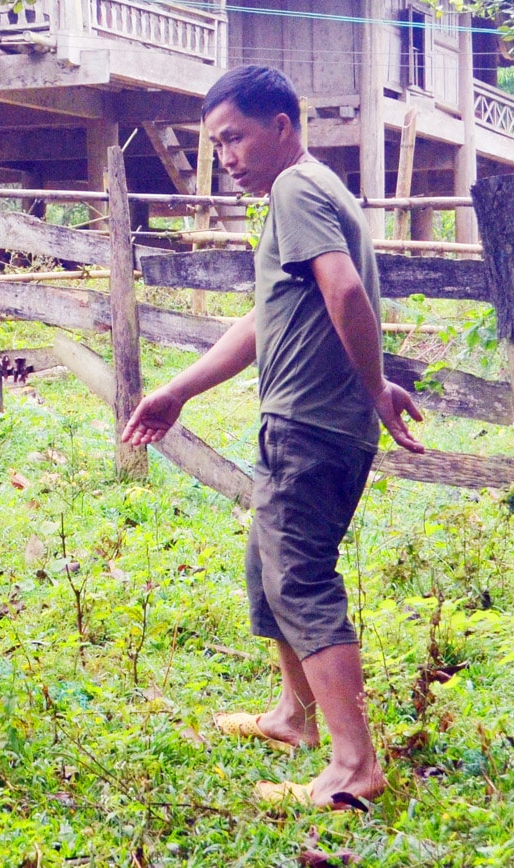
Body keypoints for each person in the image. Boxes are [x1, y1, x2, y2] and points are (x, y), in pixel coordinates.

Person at [122, 64, 424, 812]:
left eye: (235, 138)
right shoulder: (311, 191)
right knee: (269, 569)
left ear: (281, 126)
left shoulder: (295, 189)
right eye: (217, 143)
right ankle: (293, 717)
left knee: (300, 579)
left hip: (313, 424)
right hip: (303, 418)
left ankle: (354, 770)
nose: (226, 157)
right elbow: (265, 321)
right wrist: (177, 390)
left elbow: (344, 290)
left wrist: (371, 387)